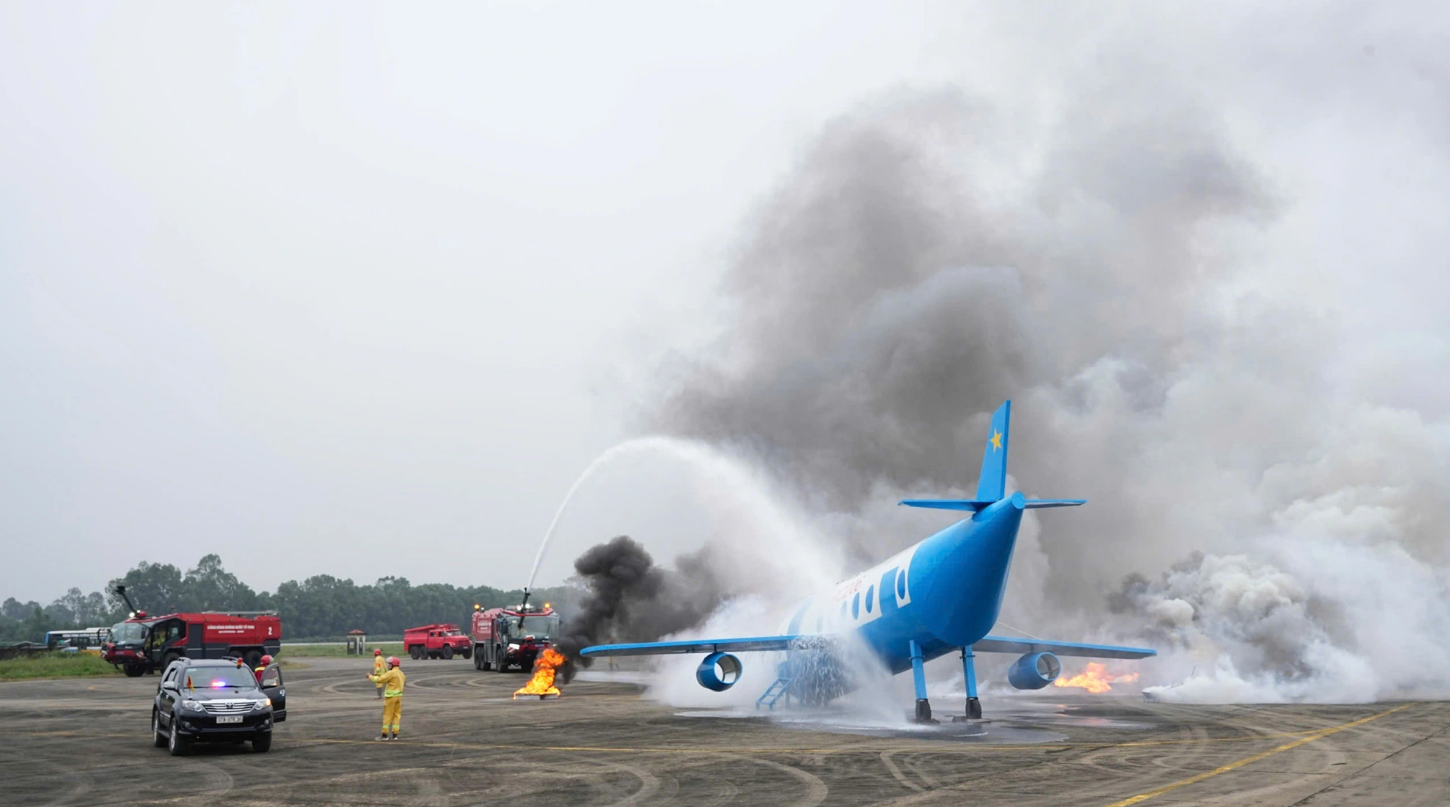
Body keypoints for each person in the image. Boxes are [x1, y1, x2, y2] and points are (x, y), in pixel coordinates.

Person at [367, 656, 405, 740]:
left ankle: (385, 735)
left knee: (387, 715)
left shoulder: (391, 673)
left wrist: (370, 676)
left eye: (389, 664)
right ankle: (395, 734)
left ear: (392, 664)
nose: (388, 666)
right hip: (399, 697)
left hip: (391, 697)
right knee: (396, 715)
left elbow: (380, 679)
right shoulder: (401, 673)